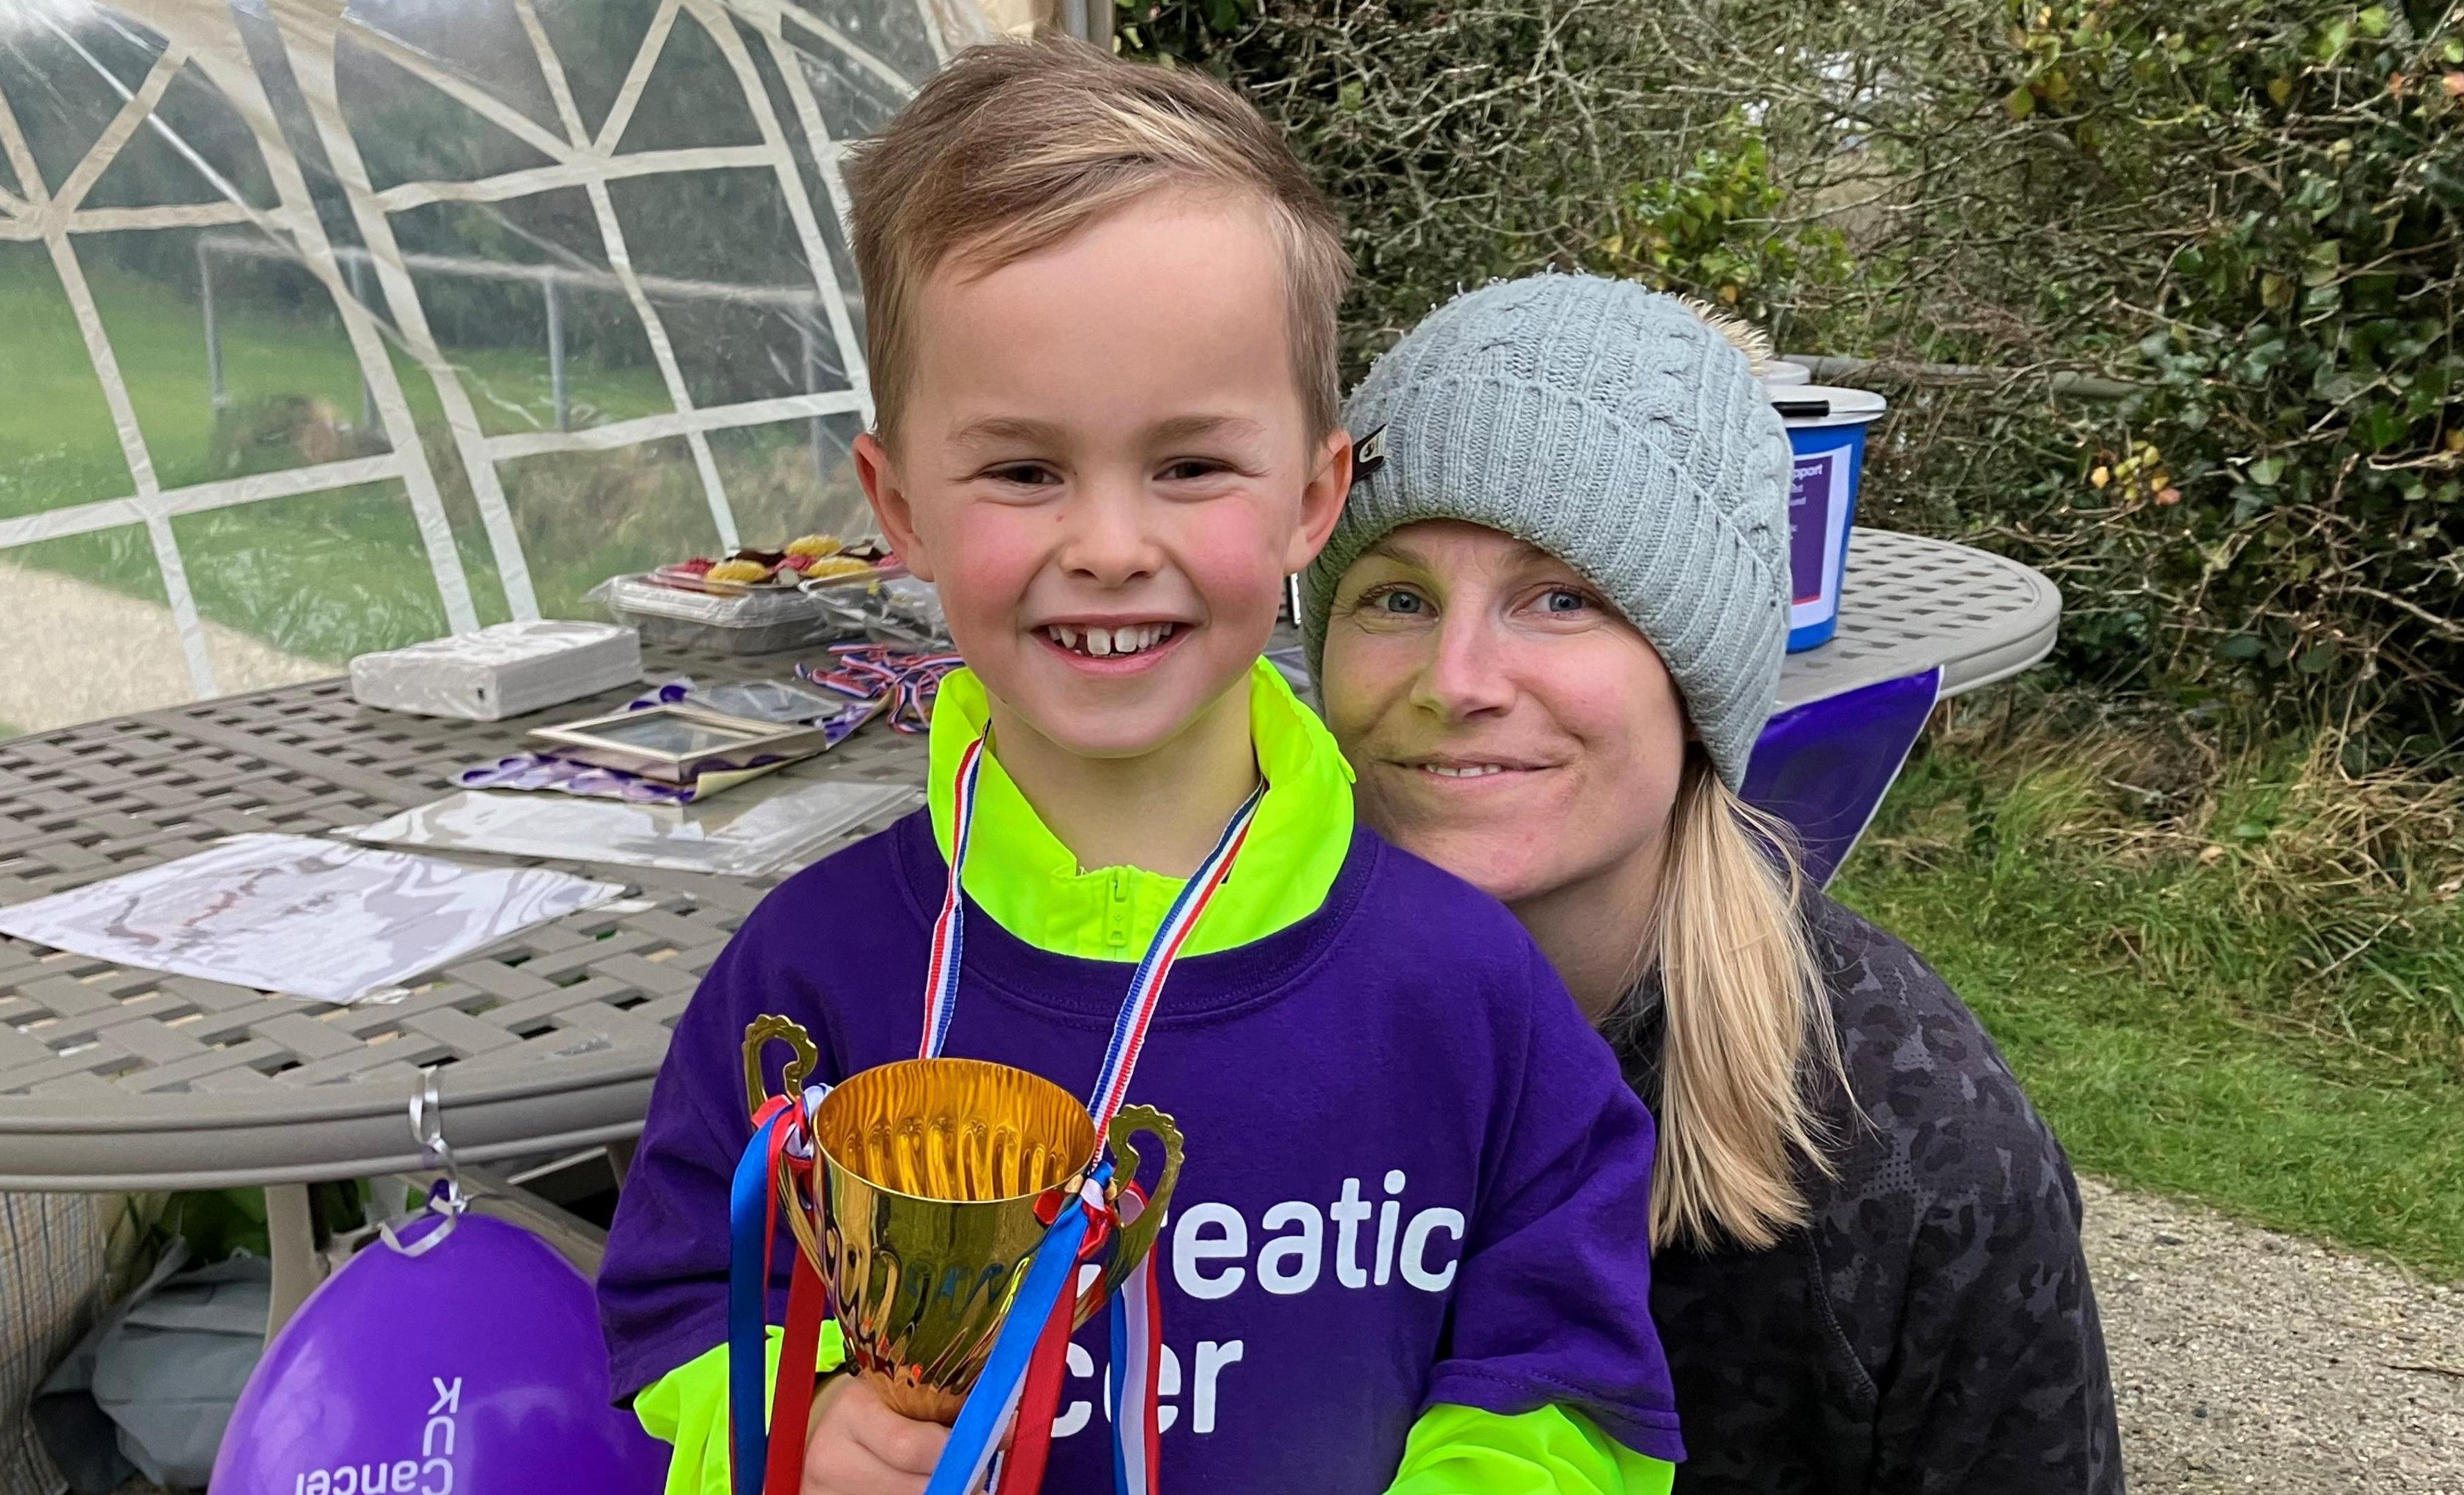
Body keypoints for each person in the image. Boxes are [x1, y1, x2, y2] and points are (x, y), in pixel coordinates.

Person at [596, 44, 1686, 1495]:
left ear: (1312, 498)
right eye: (1025, 471)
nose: (1109, 543)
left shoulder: (1473, 998)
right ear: (899, 506)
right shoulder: (807, 978)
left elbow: (1575, 1393)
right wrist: (787, 1436)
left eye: (1187, 465)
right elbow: (676, 1313)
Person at [1300, 272, 2126, 1494]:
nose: (1454, 676)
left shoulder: (1914, 1156)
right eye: (1398, 597)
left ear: (1700, 680)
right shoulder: (1201, 1023)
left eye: (1563, 597)